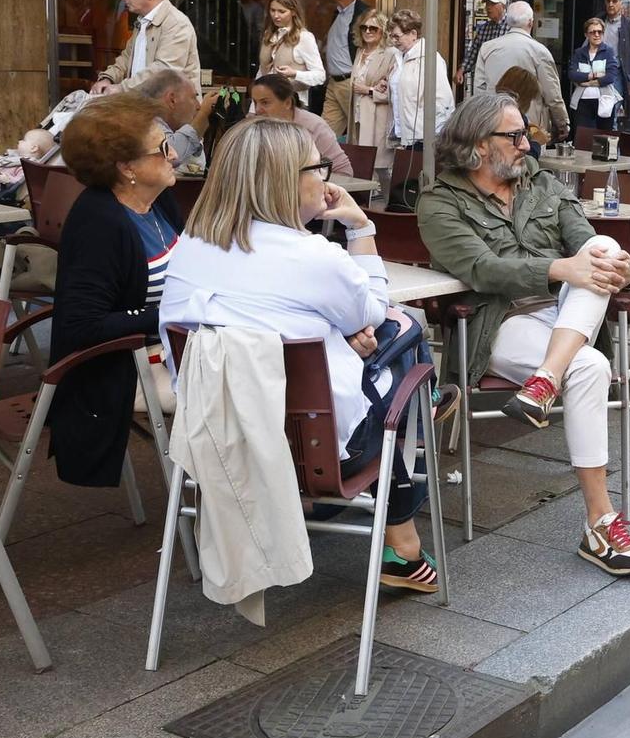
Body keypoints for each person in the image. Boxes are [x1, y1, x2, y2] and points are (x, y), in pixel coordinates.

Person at [161, 117, 447, 593]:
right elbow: (373, 311)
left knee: (374, 344)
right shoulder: (314, 255)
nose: (327, 177)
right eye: (320, 168)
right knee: (404, 331)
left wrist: (341, 330)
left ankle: (421, 424)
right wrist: (360, 226)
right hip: (319, 453)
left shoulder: (187, 250)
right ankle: (405, 532)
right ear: (287, 180)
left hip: (213, 439)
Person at [417, 93, 630, 575]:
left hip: (568, 314)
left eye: (526, 134)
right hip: (498, 324)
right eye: (515, 135)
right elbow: (482, 268)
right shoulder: (439, 203)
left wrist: (623, 270)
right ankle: (601, 523)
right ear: (479, 145)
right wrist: (562, 268)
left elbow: (587, 244)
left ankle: (545, 381)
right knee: (591, 364)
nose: (527, 144)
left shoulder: (541, 184)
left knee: (605, 243)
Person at [46, 93, 182, 489]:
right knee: (249, 385)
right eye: (161, 147)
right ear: (126, 167)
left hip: (167, 350)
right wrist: (173, 315)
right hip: (121, 369)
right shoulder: (100, 223)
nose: (173, 154)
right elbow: (81, 325)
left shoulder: (156, 202)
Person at [470, 1, 569, 143]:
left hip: (495, 120)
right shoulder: (540, 51)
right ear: (530, 22)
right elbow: (552, 93)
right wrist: (562, 122)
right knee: (530, 161)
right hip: (530, 126)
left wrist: (483, 119)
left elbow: (479, 88)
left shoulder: (487, 48)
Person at [92, 0, 199, 93]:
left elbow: (164, 72)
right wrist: (108, 78)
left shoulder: (176, 23)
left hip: (172, 111)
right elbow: (126, 59)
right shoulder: (142, 21)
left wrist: (121, 88)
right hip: (145, 106)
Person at [249, 75, 352, 177]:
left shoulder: (313, 127)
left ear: (287, 103)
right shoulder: (254, 129)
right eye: (255, 102)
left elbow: (343, 172)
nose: (258, 109)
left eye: (265, 102)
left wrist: (313, 186)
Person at [386, 8, 452, 163]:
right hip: (404, 134)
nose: (393, 41)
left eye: (397, 36)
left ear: (413, 34)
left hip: (423, 138)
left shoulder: (430, 58)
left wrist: (433, 137)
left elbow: (443, 101)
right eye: (391, 36)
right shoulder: (399, 57)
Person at [132, 68, 220, 169]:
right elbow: (168, 156)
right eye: (193, 97)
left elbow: (196, 166)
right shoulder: (146, 123)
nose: (198, 106)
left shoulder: (170, 128)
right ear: (172, 100)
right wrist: (203, 115)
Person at [317, 0, 370, 137]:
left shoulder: (364, 13)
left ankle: (361, 164)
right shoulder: (339, 13)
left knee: (359, 133)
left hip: (350, 82)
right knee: (325, 133)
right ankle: (319, 163)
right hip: (334, 83)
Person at [257, 0, 326, 101]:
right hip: (267, 103)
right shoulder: (268, 35)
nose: (276, 15)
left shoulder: (304, 37)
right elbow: (262, 71)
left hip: (293, 105)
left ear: (293, 12)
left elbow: (320, 76)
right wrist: (253, 108)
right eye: (272, 10)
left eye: (281, 11)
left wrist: (295, 74)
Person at [348, 10, 399, 153]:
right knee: (361, 161)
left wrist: (368, 90)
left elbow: (394, 91)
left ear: (383, 31)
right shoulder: (360, 51)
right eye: (364, 27)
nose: (368, 31)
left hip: (378, 118)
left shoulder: (391, 53)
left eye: (373, 28)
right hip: (357, 115)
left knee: (378, 166)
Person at [567, 17, 622, 134]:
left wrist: (587, 83)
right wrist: (592, 75)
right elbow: (572, 74)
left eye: (600, 32)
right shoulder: (579, 53)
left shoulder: (608, 51)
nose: (597, 35)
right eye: (593, 32)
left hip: (604, 101)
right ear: (586, 34)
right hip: (582, 102)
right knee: (583, 138)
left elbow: (610, 76)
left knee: (603, 138)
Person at [457, 0, 510, 95]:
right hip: (485, 81)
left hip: (505, 80)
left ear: (503, 6)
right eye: (487, 4)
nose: (488, 8)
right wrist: (462, 70)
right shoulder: (484, 28)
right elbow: (474, 51)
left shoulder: (511, 27)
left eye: (492, 4)